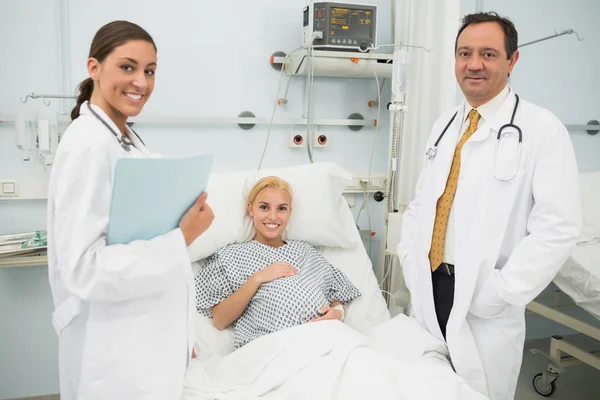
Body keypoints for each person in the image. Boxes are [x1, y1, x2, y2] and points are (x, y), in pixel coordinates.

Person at [396, 12, 582, 400]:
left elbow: (558, 226)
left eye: (488, 54)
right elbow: (421, 201)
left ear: (512, 61)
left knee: (480, 392)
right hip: (428, 284)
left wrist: (502, 291)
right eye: (464, 53)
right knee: (422, 388)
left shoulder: (542, 129)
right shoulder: (446, 123)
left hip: (485, 298)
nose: (474, 64)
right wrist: (408, 253)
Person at [47, 21, 214, 399]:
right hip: (112, 351)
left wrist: (181, 335)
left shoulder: (123, 139)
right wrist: (183, 236)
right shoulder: (88, 145)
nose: (141, 82)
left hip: (143, 341)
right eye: (127, 67)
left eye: (150, 71)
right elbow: (84, 270)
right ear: (94, 68)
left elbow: (137, 236)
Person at [194, 176, 361, 349]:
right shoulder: (231, 256)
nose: (273, 217)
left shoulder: (306, 252)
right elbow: (220, 320)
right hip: (270, 347)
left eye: (281, 209)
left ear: (290, 212)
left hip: (323, 340)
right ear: (251, 209)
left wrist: (338, 314)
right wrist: (257, 278)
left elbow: (335, 294)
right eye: (264, 207)